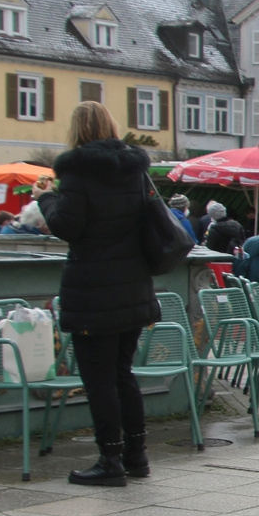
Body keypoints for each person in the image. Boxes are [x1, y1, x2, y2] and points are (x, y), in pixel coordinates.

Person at [34, 102, 160, 486]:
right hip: (134, 286)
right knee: (123, 373)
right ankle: (136, 455)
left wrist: (46, 198)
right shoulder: (135, 170)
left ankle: (110, 461)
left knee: (99, 379)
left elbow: (67, 226)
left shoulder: (76, 171)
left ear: (77, 130)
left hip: (93, 292)